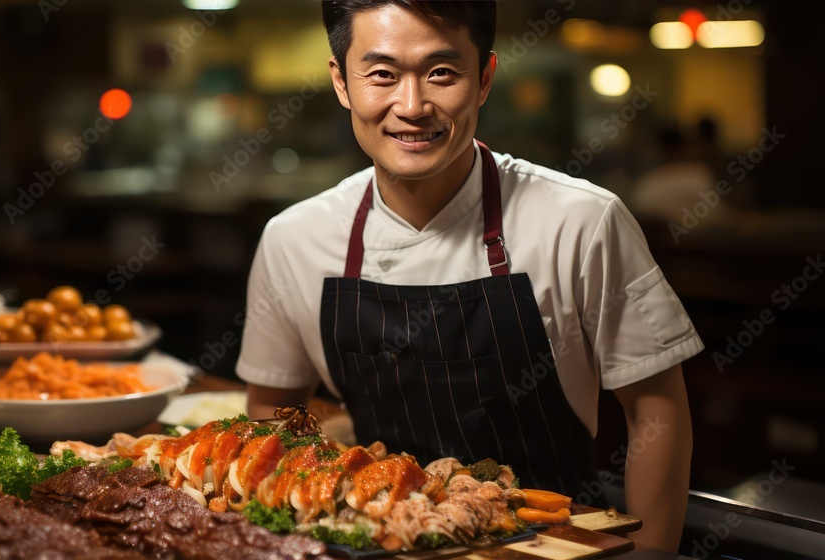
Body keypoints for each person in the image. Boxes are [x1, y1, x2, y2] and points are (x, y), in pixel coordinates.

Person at [237, 1, 701, 553]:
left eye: (441, 73)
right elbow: (272, 412)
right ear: (341, 81)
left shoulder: (582, 220)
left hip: (554, 543)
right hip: (378, 539)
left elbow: (656, 407)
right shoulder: (295, 238)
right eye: (381, 74)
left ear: (484, 79)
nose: (411, 106)